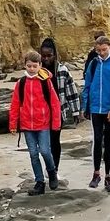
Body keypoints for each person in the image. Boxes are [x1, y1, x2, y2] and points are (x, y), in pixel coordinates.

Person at [10, 50, 62, 195]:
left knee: (45, 151)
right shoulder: (21, 83)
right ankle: (39, 182)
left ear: (40, 65)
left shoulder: (46, 82)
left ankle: (51, 171)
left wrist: (56, 123)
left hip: (43, 124)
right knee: (33, 154)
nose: (31, 69)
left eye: (34, 66)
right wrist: (13, 124)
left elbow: (55, 103)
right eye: (29, 66)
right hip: (27, 125)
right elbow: (15, 104)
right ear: (25, 66)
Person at [80, 36, 110, 192]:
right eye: (98, 50)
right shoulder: (93, 64)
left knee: (108, 141)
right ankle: (96, 173)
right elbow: (87, 85)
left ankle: (109, 176)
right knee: (97, 139)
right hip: (95, 109)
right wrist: (84, 106)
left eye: (104, 50)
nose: (101, 53)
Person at [39, 38, 80, 179]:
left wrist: (75, 112)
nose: (46, 59)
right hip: (41, 113)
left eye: (49, 56)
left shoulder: (62, 71)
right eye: (43, 56)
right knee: (44, 144)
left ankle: (54, 169)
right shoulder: (37, 71)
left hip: (58, 112)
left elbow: (71, 91)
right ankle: (49, 167)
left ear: (54, 55)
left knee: (55, 141)